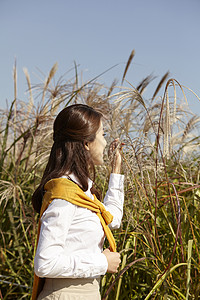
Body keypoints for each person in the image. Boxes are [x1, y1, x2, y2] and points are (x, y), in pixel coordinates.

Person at [31, 104, 124, 300]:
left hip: (87, 292)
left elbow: (112, 219)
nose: (106, 143)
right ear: (86, 143)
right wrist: (101, 263)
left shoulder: (82, 193)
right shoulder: (64, 197)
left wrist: (116, 173)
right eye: (103, 135)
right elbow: (45, 263)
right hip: (65, 295)